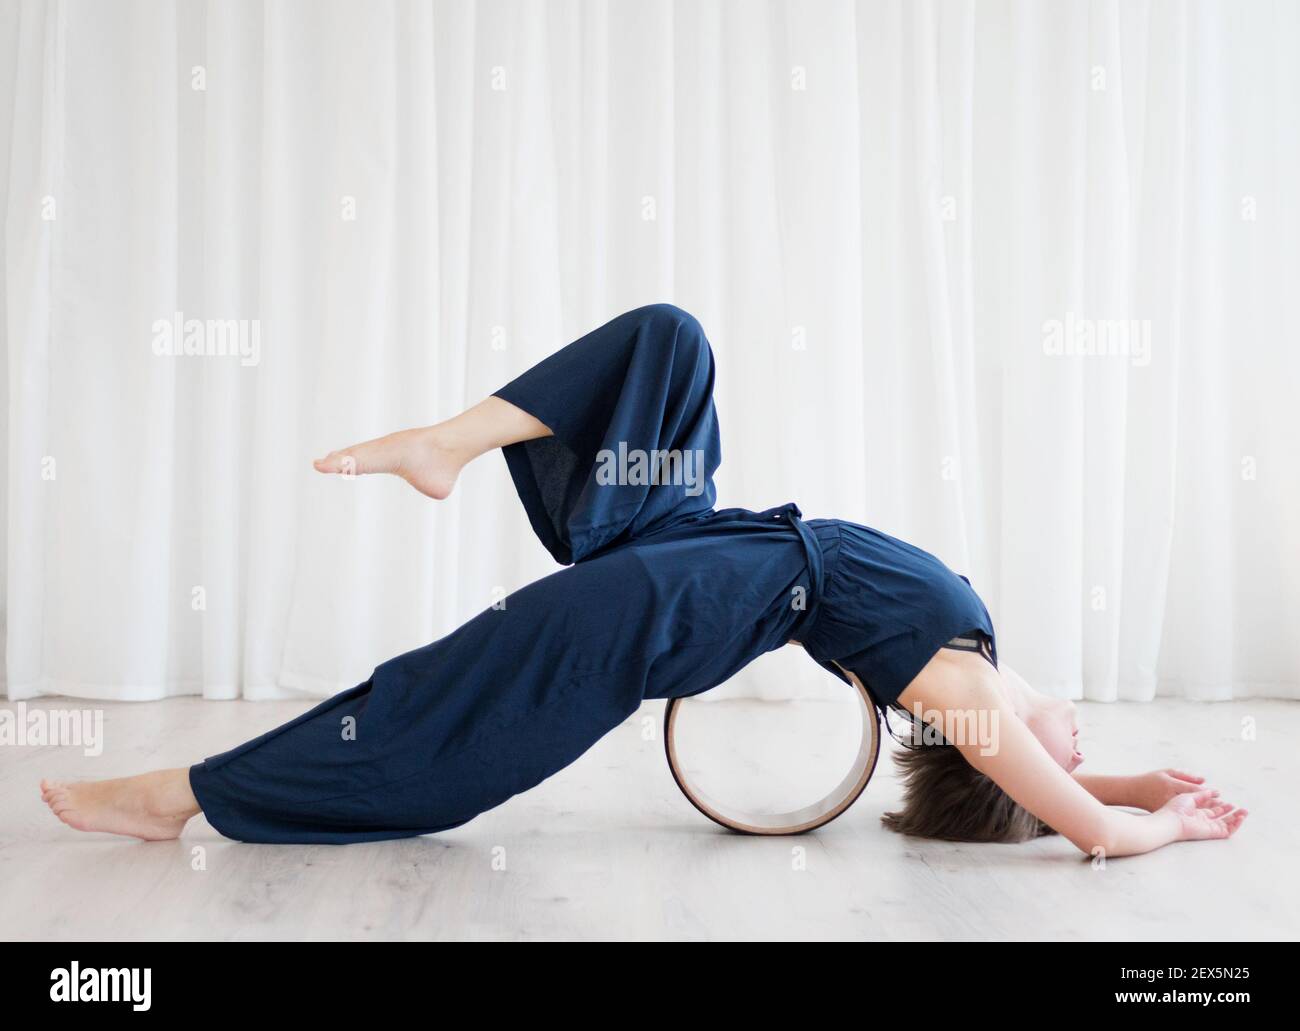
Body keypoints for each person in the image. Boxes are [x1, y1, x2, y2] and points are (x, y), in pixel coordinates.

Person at [41, 303, 1246, 854]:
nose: (1078, 745)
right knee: (669, 340)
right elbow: (1064, 774)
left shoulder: (953, 686)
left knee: (441, 708)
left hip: (666, 601)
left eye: (1060, 763)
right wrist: (1137, 778)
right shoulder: (976, 659)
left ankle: (186, 794)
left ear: (1011, 768)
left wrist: (1140, 824)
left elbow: (1067, 803)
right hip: (688, 531)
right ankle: (448, 443)